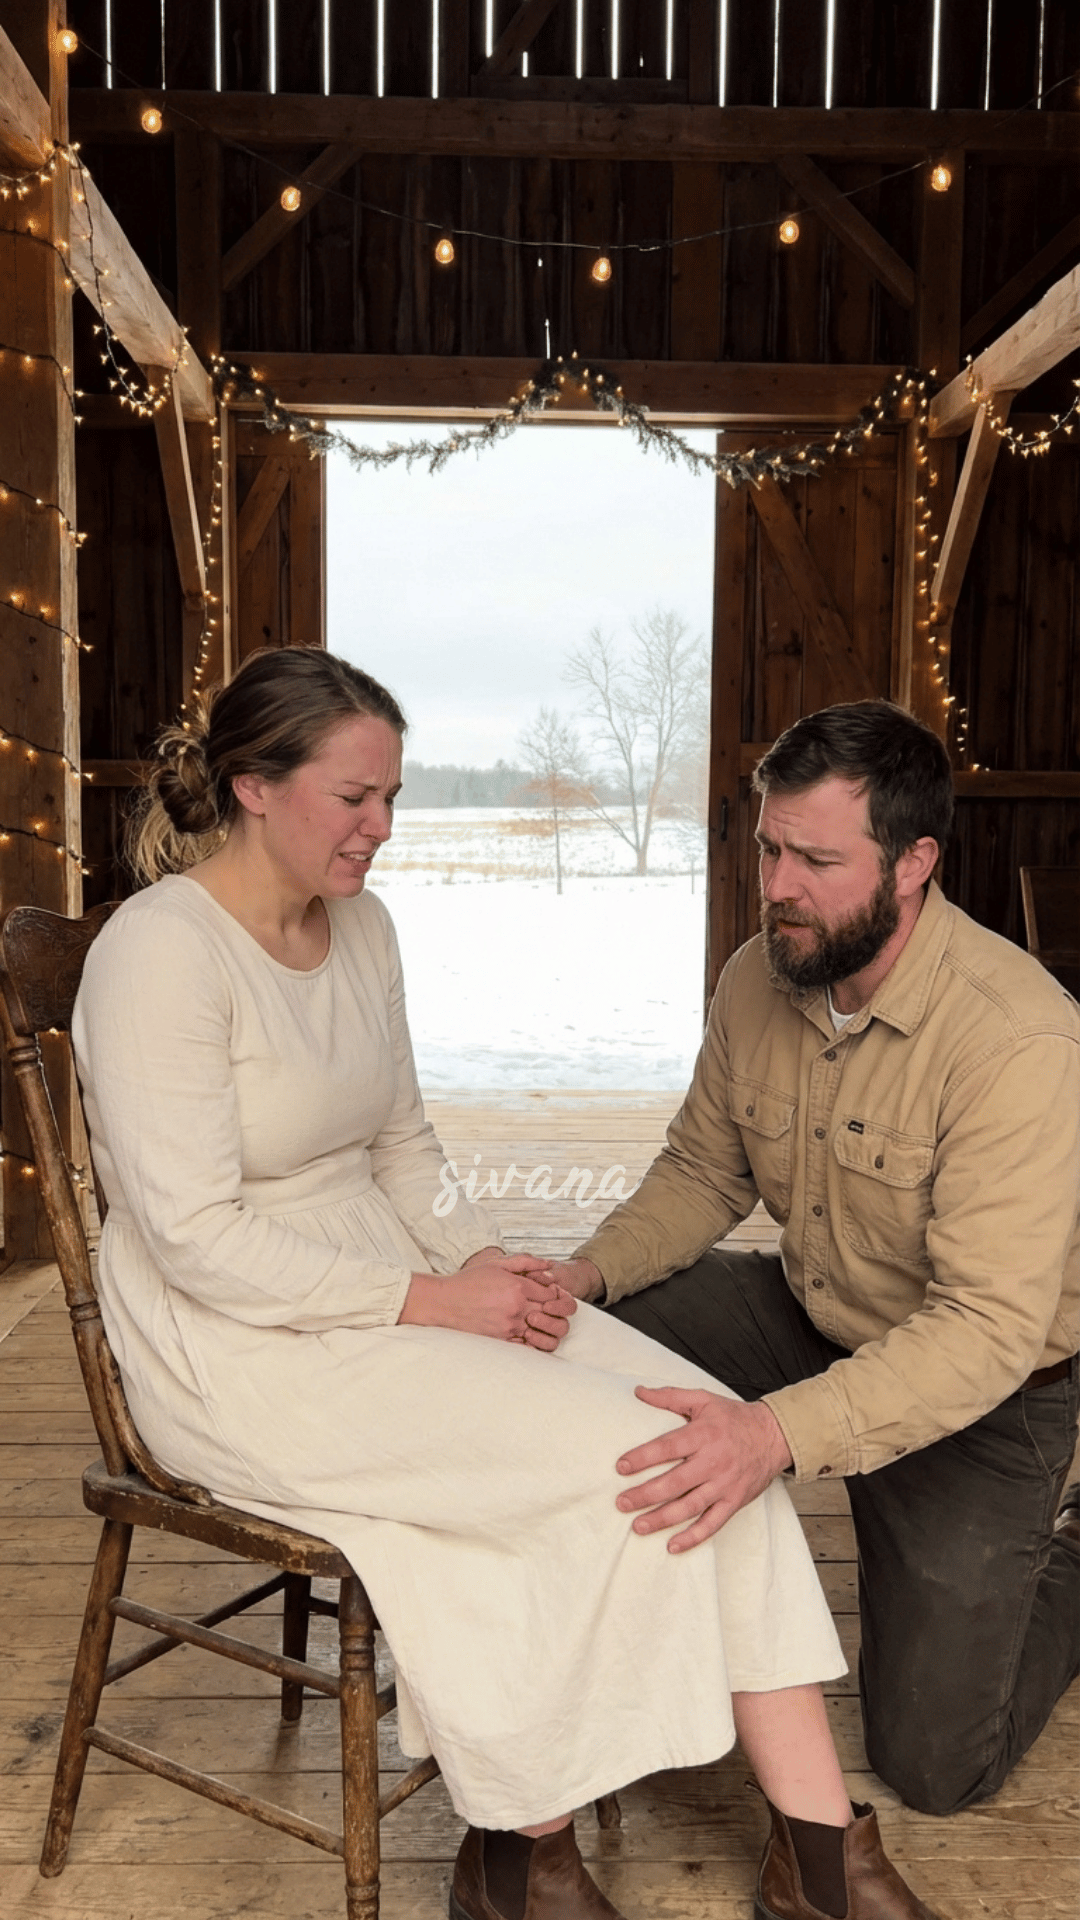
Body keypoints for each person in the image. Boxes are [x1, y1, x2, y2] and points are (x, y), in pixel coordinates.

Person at [72, 652, 940, 1920]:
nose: (381, 826)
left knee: (710, 1436)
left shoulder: (362, 927)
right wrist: (438, 1305)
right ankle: (523, 1855)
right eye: (355, 797)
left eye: (393, 797)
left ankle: (821, 1857)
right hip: (233, 1346)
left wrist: (487, 1267)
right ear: (253, 786)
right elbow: (197, 1239)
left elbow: (402, 1146)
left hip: (384, 1282)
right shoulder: (159, 954)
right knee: (620, 1463)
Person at [545, 699, 1080, 1821]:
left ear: (914, 864)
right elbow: (703, 1173)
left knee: (936, 1767)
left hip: (984, 1387)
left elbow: (985, 1330)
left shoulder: (1019, 1039)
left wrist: (773, 1435)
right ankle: (617, 1623)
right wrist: (581, 1278)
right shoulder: (761, 974)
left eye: (818, 861)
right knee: (575, 1341)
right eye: (769, 849)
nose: (778, 885)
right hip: (814, 1313)